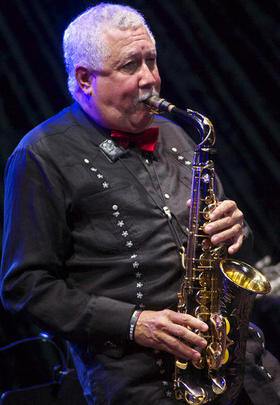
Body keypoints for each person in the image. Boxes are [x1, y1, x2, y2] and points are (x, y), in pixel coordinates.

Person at [0, 3, 269, 405]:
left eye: (152, 60)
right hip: (140, 383)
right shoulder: (40, 156)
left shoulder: (178, 133)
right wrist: (133, 323)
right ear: (85, 79)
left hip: (240, 365)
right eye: (130, 66)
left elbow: (230, 244)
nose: (150, 80)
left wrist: (236, 232)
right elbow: (24, 287)